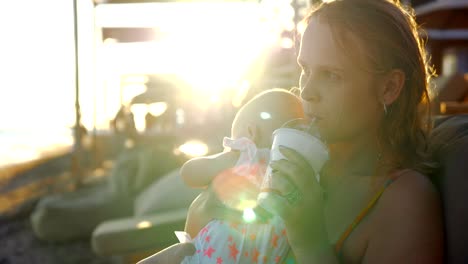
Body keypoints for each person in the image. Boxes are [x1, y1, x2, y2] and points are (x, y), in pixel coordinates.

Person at [138, 0, 444, 263]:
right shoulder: (296, 162)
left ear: (388, 87)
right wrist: (209, 207)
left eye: (331, 75)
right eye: (305, 69)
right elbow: (197, 240)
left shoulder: (403, 203)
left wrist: (309, 240)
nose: (307, 90)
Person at [179, 88, 304, 263]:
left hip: (208, 256)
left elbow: (188, 173)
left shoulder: (247, 155)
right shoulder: (296, 175)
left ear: (250, 133)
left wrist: (228, 158)